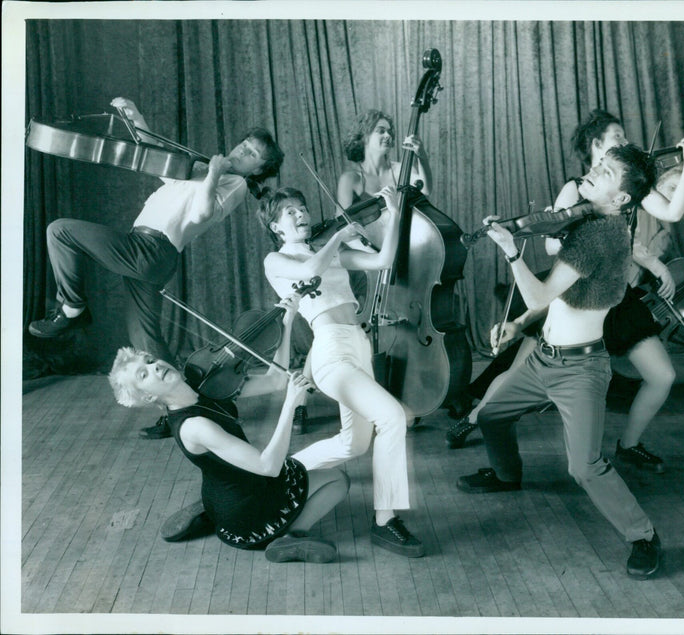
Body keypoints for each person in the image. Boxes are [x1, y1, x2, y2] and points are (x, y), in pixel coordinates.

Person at [457, 144, 663, 580]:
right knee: (491, 414)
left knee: (584, 466)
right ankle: (507, 475)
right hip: (542, 360)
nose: (593, 170)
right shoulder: (589, 222)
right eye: (597, 164)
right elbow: (562, 297)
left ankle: (643, 535)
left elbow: (538, 292)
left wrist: (511, 252)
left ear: (622, 199)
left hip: (580, 371)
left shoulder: (601, 236)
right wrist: (518, 324)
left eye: (606, 172)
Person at [28, 96, 284, 366]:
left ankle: (72, 307)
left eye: (252, 154)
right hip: (149, 252)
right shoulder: (201, 169)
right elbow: (156, 152)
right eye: (244, 145)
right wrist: (135, 116)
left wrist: (213, 175)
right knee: (145, 338)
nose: (243, 152)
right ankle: (182, 401)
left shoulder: (236, 184)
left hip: (151, 251)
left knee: (60, 232)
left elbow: (202, 213)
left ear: (258, 170)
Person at [108, 294, 349, 563]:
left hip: (230, 490)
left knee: (307, 475)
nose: (155, 367)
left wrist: (288, 321)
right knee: (339, 480)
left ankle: (210, 512)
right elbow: (267, 466)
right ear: (149, 397)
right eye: (144, 375)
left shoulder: (204, 383)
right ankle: (290, 537)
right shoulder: (195, 427)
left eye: (150, 361)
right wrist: (291, 404)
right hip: (247, 511)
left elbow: (275, 382)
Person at [260, 185, 425, 558]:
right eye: (290, 212)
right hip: (330, 349)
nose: (301, 214)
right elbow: (309, 268)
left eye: (302, 207)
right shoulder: (277, 259)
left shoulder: (328, 251)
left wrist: (395, 212)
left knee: (355, 443)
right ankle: (385, 520)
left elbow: (383, 261)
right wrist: (337, 237)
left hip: (358, 344)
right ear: (276, 226)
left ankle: (270, 471)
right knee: (393, 417)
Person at [288, 109, 432, 435]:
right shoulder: (351, 179)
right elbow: (348, 222)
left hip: (394, 253)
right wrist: (381, 211)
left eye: (389, 131)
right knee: (341, 328)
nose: (387, 136)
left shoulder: (400, 170)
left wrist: (421, 157)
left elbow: (426, 195)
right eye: (380, 130)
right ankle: (299, 399)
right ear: (364, 137)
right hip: (361, 256)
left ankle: (389, 395)